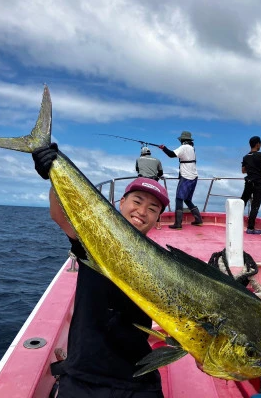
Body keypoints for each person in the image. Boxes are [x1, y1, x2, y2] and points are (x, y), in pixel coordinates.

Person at [32, 143, 169, 398]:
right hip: (84, 372)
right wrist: (53, 172)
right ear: (122, 201)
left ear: (158, 219)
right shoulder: (95, 239)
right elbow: (60, 215)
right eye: (137, 201)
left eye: (153, 209)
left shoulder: (162, 262)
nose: (142, 211)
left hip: (138, 376)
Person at [159, 131, 203, 229]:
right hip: (194, 176)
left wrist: (163, 148)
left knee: (179, 199)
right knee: (187, 199)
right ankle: (198, 220)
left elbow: (171, 154)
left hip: (186, 176)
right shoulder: (192, 148)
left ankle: (178, 224)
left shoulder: (184, 147)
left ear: (182, 140)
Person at [241, 136, 261, 235]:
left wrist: (251, 169)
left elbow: (243, 171)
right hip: (258, 183)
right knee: (255, 205)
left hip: (248, 182)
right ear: (257, 144)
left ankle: (235, 221)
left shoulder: (246, 156)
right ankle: (250, 228)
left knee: (242, 202)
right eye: (260, 143)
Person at [136, 147, 164, 229]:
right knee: (155, 203)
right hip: (153, 183)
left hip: (141, 182)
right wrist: (157, 177)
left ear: (142, 153)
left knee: (140, 201)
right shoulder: (157, 160)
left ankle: (138, 223)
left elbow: (137, 170)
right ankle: (158, 225)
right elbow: (161, 173)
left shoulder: (139, 159)